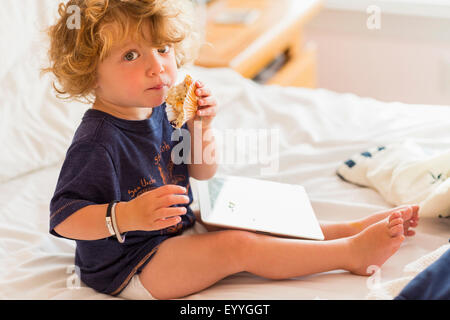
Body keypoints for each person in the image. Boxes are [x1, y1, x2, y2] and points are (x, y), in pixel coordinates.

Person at [44, 0, 420, 300]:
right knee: (235, 247)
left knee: (243, 212)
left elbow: (203, 172)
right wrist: (125, 216)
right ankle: (349, 255)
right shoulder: (96, 141)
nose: (157, 66)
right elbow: (64, 217)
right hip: (130, 265)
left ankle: (345, 230)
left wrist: (201, 126)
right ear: (90, 71)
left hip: (177, 230)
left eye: (162, 48)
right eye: (131, 55)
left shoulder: (162, 108)